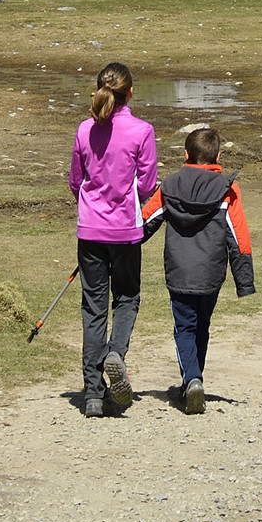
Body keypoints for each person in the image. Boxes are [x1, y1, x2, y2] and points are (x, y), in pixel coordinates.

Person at [69, 59, 158, 419]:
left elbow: (76, 182)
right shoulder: (141, 130)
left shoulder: (84, 129)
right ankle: (115, 353)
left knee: (93, 308)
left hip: (90, 230)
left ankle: (93, 393)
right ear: (130, 92)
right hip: (125, 231)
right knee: (127, 298)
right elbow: (148, 185)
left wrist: (93, 203)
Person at [160, 124, 255, 412]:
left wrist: (116, 245)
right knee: (202, 326)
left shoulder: (168, 186)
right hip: (212, 274)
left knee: (184, 328)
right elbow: (239, 237)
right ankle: (194, 380)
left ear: (186, 153)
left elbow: (144, 221)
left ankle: (192, 380)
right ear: (218, 156)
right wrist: (244, 282)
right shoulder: (228, 190)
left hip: (179, 273)